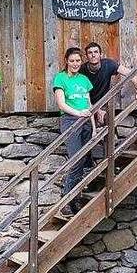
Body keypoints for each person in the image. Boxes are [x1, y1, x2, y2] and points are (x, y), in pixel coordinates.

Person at [52, 47, 94, 212]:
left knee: (83, 161)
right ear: (66, 61)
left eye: (78, 60)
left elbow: (89, 105)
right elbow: (61, 104)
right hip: (70, 120)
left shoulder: (84, 80)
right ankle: (66, 200)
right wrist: (79, 114)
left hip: (86, 122)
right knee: (76, 159)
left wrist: (94, 127)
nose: (75, 63)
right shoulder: (60, 78)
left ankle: (75, 199)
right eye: (72, 61)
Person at [79, 41, 137, 127]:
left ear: (101, 54)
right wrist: (97, 110)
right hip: (85, 104)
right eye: (90, 53)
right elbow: (79, 95)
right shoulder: (81, 71)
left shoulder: (108, 64)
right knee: (86, 125)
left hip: (103, 103)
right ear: (86, 56)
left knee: (108, 120)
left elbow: (130, 74)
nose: (93, 55)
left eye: (96, 52)